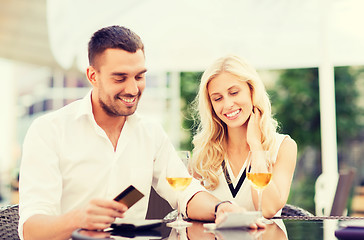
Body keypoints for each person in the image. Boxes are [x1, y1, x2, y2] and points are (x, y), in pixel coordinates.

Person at [18, 26, 247, 240]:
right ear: (92, 76)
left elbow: (186, 192)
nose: (132, 89)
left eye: (139, 76)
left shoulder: (150, 133)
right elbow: (31, 229)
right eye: (120, 78)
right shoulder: (49, 131)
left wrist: (220, 208)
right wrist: (77, 219)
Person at [190, 55, 297, 218]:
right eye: (217, 98)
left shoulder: (283, 146)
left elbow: (267, 209)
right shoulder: (204, 152)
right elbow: (189, 208)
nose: (227, 105)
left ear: (252, 91)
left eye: (234, 92)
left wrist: (256, 146)